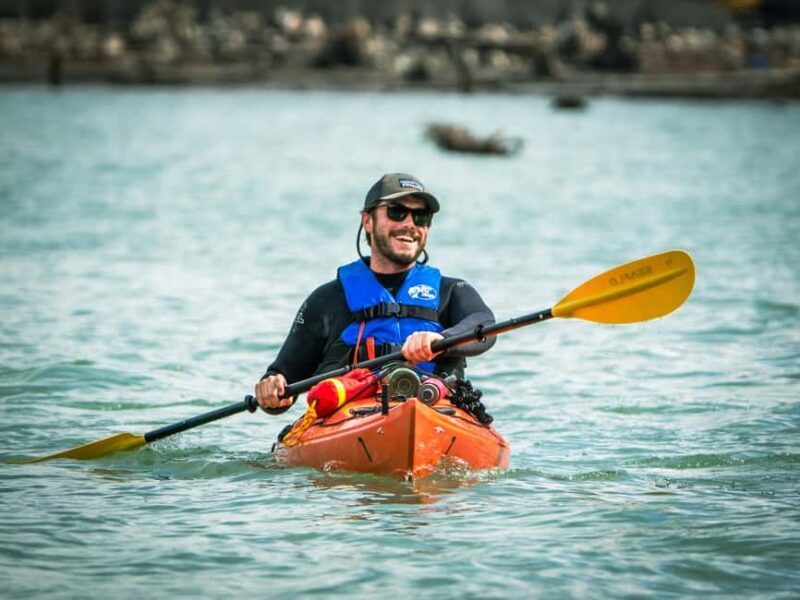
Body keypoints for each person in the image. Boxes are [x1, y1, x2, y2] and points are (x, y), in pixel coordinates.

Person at [255, 172, 496, 413]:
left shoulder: (452, 292)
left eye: (421, 217)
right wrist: (273, 387)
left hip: (435, 409)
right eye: (397, 211)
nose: (410, 224)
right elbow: (283, 378)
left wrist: (441, 340)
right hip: (350, 414)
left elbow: (484, 325)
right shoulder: (326, 300)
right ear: (367, 220)